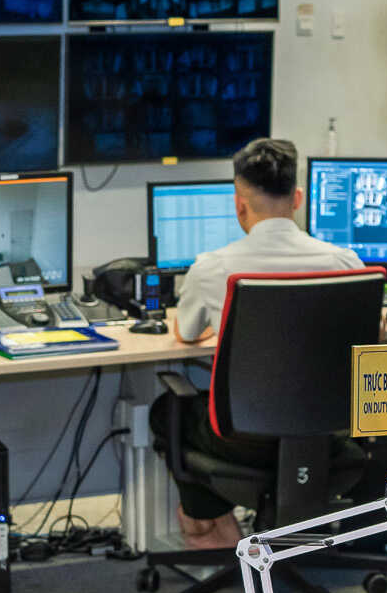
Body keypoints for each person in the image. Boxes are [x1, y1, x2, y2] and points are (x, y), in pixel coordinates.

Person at [151, 138, 366, 549]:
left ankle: (208, 522)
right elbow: (373, 332)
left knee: (167, 411)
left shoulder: (212, 268)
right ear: (297, 199)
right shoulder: (344, 262)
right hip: (326, 436)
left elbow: (185, 334)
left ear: (239, 205)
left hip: (243, 441)